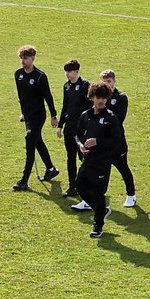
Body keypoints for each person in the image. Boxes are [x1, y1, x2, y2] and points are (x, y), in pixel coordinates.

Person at [72, 82, 123, 238]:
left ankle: (97, 226)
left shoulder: (110, 118)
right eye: (98, 97)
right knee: (79, 186)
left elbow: (117, 141)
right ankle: (101, 210)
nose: (101, 100)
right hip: (87, 160)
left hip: (102, 163)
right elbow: (77, 135)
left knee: (98, 193)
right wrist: (80, 145)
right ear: (92, 97)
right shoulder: (85, 115)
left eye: (103, 97)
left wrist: (98, 142)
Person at [12, 45, 59, 191]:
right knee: (37, 141)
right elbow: (21, 96)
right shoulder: (18, 74)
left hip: (38, 116)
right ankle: (51, 168)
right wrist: (23, 113)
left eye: (25, 58)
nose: (23, 61)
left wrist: (53, 115)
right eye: (21, 58)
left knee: (30, 143)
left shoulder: (40, 76)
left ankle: (24, 180)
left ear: (33, 58)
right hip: (28, 116)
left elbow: (48, 97)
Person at [102, 69, 137, 207]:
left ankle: (131, 194)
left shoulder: (121, 97)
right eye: (104, 82)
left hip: (117, 142)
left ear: (114, 81)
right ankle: (96, 197)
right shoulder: (99, 97)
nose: (107, 85)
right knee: (101, 170)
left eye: (109, 81)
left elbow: (119, 119)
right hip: (102, 141)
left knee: (123, 168)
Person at [56, 59, 91, 197]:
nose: (67, 74)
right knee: (70, 157)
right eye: (66, 71)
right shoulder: (66, 86)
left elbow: (89, 108)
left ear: (76, 71)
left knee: (83, 157)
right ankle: (72, 186)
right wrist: (60, 125)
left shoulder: (85, 85)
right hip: (69, 128)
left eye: (69, 71)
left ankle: (87, 184)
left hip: (81, 129)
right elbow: (65, 106)